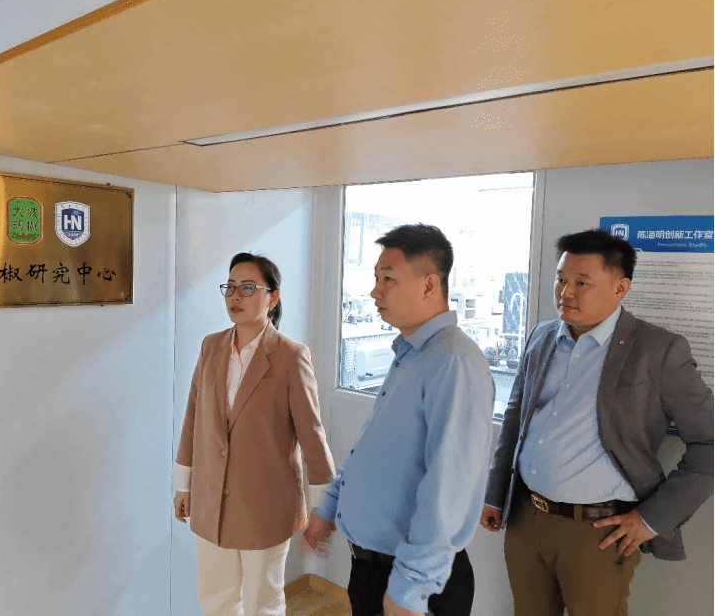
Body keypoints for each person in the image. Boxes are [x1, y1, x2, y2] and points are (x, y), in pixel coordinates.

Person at [480, 228, 714, 616]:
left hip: (599, 533)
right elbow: (515, 419)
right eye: (561, 279)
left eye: (582, 282)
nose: (565, 292)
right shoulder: (542, 336)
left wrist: (651, 520)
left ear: (621, 287)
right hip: (526, 517)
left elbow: (709, 442)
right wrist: (495, 492)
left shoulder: (658, 351)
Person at [304, 224, 494, 616]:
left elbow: (448, 488)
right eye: (376, 278)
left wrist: (411, 588)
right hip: (373, 569)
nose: (375, 291)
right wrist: (330, 508)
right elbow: (372, 449)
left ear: (429, 285)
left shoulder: (453, 362)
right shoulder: (411, 353)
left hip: (413, 581)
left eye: (388, 279)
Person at [174, 252, 335, 616]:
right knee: (215, 599)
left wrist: (324, 507)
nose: (236, 296)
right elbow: (193, 418)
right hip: (211, 498)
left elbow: (312, 435)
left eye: (248, 288)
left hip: (266, 504)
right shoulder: (211, 346)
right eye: (230, 287)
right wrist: (184, 484)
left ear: (272, 298)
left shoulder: (291, 356)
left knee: (263, 602)